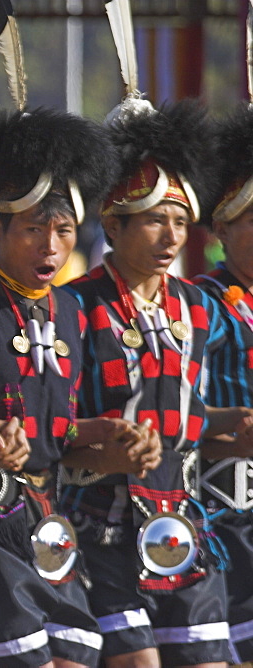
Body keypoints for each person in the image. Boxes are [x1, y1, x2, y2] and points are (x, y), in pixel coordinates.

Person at [0, 103, 157, 668]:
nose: (50, 246)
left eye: (64, 230)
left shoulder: (69, 311)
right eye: (34, 229)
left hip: (49, 522)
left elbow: (59, 430)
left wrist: (115, 435)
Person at [61, 98, 250, 668]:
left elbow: (182, 415)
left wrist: (229, 425)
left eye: (178, 221)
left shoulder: (198, 309)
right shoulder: (74, 307)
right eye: (152, 219)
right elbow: (48, 424)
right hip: (102, 527)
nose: (170, 237)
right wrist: (103, 447)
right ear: (112, 224)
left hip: (184, 524)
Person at [191, 104, 253, 664]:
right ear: (221, 229)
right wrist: (233, 435)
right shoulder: (201, 305)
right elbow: (173, 421)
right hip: (224, 513)